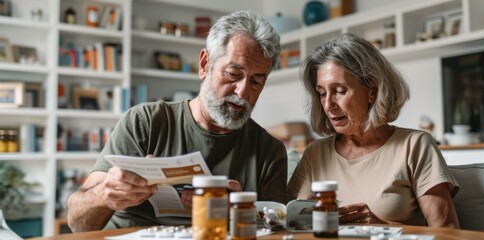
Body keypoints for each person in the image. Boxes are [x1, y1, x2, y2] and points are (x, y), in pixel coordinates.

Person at [67, 10, 287, 232]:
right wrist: (105, 194)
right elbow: (77, 223)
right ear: (204, 65)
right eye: (232, 74)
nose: (243, 92)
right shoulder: (145, 122)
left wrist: (241, 214)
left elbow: (277, 230)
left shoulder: (269, 150)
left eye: (257, 81)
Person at [287, 33, 460, 228]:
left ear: (372, 91)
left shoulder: (415, 145)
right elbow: (295, 229)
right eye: (322, 93)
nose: (328, 105)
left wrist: (383, 227)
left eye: (340, 91)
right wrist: (307, 219)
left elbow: (448, 231)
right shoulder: (314, 154)